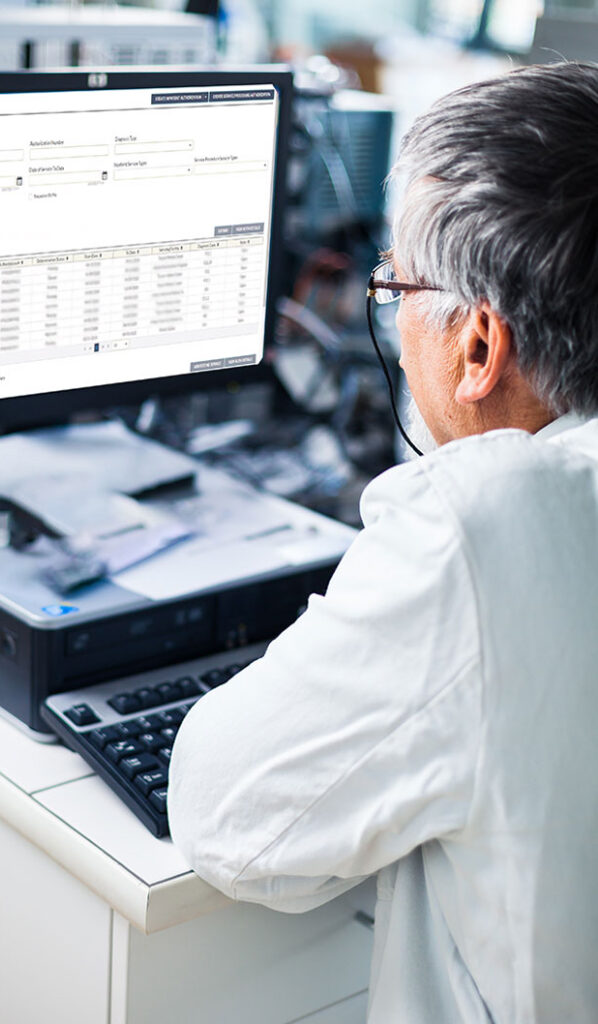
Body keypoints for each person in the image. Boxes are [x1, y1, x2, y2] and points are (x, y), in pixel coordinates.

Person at [167, 62, 598, 1023]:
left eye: (396, 282)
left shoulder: (484, 525)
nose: (392, 317)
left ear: (478, 348)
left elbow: (225, 816)